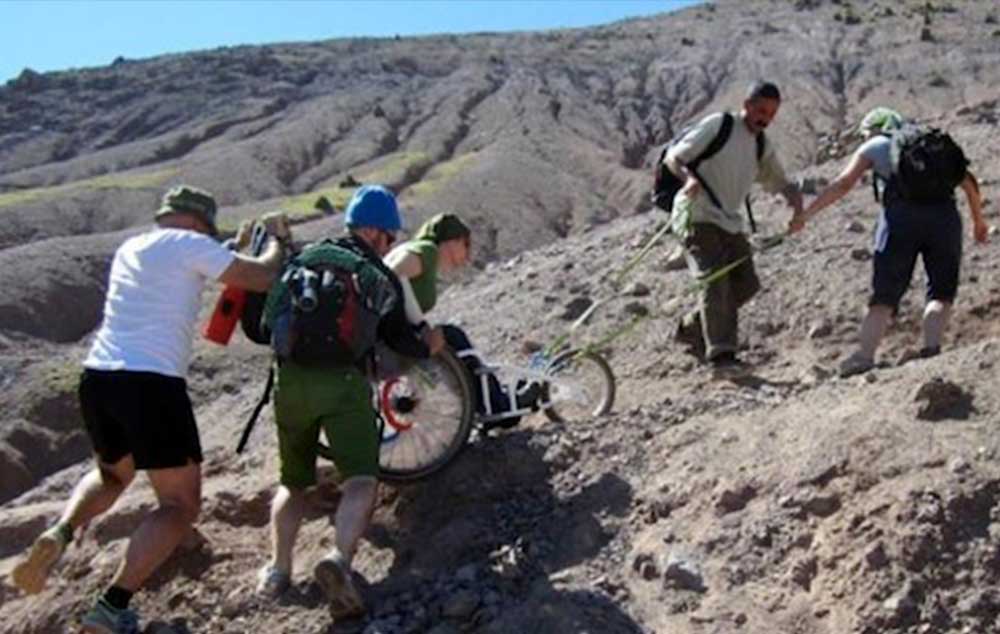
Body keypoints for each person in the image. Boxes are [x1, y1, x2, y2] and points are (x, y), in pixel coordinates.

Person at [10, 185, 291, 633]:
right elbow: (260, 277)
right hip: (151, 383)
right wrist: (276, 241)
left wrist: (229, 247)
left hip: (99, 377)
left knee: (113, 475)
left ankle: (59, 532)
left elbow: (193, 262)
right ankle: (111, 607)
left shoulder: (132, 247)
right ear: (199, 222)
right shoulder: (191, 245)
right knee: (179, 504)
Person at [256, 185, 440, 619]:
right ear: (375, 233)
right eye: (390, 237)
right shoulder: (375, 274)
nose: (390, 245)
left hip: (289, 383)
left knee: (293, 482)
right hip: (342, 384)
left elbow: (264, 327)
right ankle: (338, 560)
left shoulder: (302, 259)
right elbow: (402, 341)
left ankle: (277, 570)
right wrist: (429, 344)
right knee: (361, 479)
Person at [790, 107, 988, 377]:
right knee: (940, 291)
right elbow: (968, 182)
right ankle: (931, 350)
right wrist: (978, 222)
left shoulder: (876, 145)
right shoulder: (932, 144)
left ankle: (865, 356)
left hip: (900, 220)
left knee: (884, 295)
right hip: (945, 218)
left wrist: (807, 215)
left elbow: (843, 184)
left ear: (873, 128)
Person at [666, 81, 804, 367]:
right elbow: (674, 158)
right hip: (696, 215)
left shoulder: (761, 145)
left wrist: (797, 204)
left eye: (771, 114)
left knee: (746, 284)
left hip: (728, 222)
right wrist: (688, 179)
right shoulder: (720, 126)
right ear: (747, 104)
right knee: (714, 278)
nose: (765, 118)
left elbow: (779, 181)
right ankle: (722, 357)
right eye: (761, 110)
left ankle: (691, 329)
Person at [384, 213, 539, 429]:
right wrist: (418, 325)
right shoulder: (427, 251)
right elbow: (393, 274)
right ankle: (498, 406)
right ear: (452, 241)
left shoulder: (410, 250)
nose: (467, 255)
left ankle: (492, 399)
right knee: (453, 336)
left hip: (392, 332)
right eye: (466, 245)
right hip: (398, 335)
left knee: (451, 337)